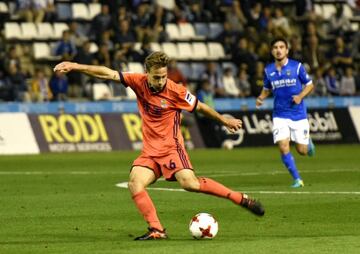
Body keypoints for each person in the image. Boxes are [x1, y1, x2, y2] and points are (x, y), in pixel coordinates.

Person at [53, 51, 265, 240]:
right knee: (135, 183)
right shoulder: (137, 82)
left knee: (189, 184)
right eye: (157, 77)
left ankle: (239, 198)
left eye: (164, 76)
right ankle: (157, 229)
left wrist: (224, 120)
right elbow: (108, 74)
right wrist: (76, 66)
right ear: (147, 73)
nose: (161, 80)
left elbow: (200, 107)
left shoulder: (176, 91)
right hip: (150, 152)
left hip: (172, 148)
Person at [256, 38, 315, 188]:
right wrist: (261, 97)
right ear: (272, 51)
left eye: (282, 47)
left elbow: (309, 85)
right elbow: (267, 87)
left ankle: (308, 143)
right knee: (283, 146)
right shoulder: (268, 70)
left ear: (287, 50)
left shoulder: (297, 67)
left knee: (301, 151)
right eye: (275, 47)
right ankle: (297, 179)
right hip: (280, 114)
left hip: (298, 114)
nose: (278, 49)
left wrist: (300, 96)